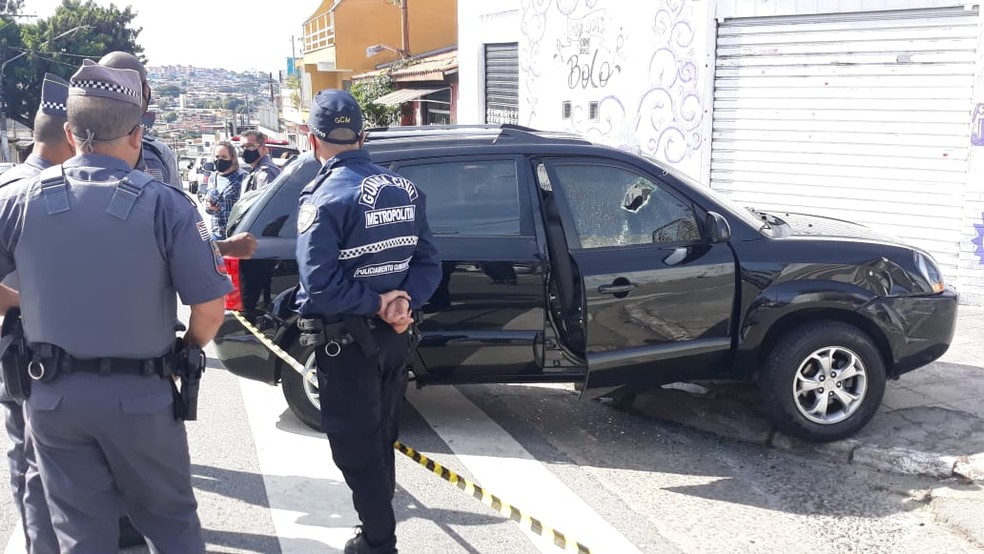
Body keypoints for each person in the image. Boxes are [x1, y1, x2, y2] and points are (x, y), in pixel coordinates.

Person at [0, 60, 230, 552]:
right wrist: (187, 347)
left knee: (80, 533)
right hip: (141, 399)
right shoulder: (167, 205)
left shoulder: (20, 200)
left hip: (53, 399)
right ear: (137, 134)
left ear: (70, 131)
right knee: (170, 524)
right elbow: (211, 308)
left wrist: (33, 304)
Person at [295, 89, 441, 554]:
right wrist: (401, 303)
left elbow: (319, 283)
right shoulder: (404, 189)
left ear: (312, 140)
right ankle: (377, 526)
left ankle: (378, 542)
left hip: (348, 344)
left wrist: (380, 304)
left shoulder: (324, 196)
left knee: (356, 448)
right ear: (362, 134)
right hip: (395, 337)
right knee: (381, 435)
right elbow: (428, 263)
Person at [0, 73, 70, 554]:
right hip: (36, 350)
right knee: (39, 469)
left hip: (19, 349)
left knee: (27, 463)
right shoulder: (39, 194)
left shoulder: (8, 181)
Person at [99, 51, 256, 259]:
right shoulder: (159, 155)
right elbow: (181, 236)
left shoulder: (64, 167)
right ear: (146, 92)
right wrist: (227, 248)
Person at [205, 140, 246, 240]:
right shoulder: (213, 178)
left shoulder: (243, 177)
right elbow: (208, 203)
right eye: (217, 157)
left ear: (232, 158)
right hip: (217, 233)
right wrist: (209, 206)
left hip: (235, 234)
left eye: (224, 157)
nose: (220, 160)